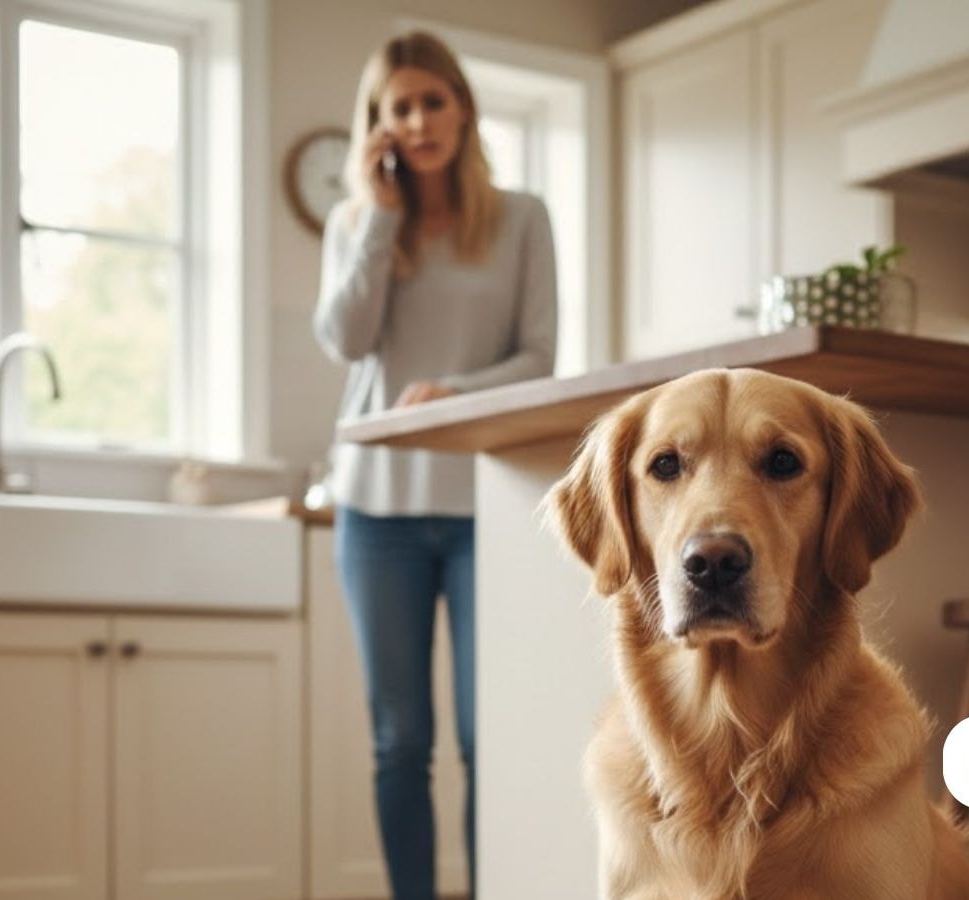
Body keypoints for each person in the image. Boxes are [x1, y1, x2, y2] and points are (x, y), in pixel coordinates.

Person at [311, 29, 558, 900]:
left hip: (483, 510)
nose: (418, 122)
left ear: (462, 106)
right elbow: (344, 340)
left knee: (487, 735)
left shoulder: (523, 217)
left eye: (432, 101)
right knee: (399, 743)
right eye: (398, 108)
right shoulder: (355, 223)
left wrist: (451, 390)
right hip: (375, 513)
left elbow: (539, 358)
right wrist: (380, 220)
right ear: (377, 125)